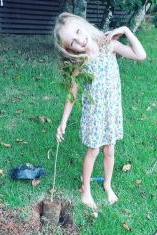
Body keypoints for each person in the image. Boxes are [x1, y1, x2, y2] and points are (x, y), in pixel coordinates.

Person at [54, 12, 147, 210]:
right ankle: (85, 189)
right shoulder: (81, 62)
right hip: (94, 115)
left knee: (110, 149)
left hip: (111, 111)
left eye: (78, 31)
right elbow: (72, 94)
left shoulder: (109, 45)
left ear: (83, 25)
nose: (80, 39)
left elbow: (140, 55)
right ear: (70, 49)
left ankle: (107, 184)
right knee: (94, 151)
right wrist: (63, 122)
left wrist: (126, 31)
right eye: (73, 42)